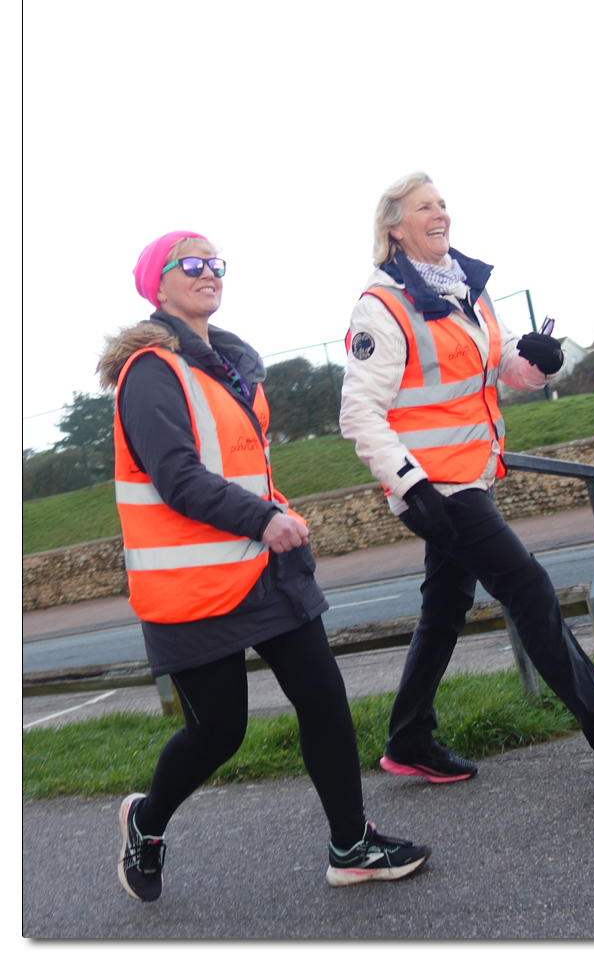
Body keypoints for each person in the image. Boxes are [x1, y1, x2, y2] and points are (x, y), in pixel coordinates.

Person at [99, 230, 430, 902]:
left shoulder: (225, 365)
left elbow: (243, 467)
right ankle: (147, 822)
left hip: (262, 569)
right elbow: (175, 477)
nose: (208, 271)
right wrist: (262, 519)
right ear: (155, 285)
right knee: (219, 732)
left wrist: (276, 518)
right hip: (192, 585)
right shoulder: (150, 371)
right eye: (190, 263)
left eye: (215, 262)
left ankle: (350, 845)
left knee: (324, 700)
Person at [339, 173, 594, 790]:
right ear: (394, 226)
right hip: (438, 489)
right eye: (425, 206)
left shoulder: (467, 289)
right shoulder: (382, 305)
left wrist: (535, 363)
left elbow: (497, 369)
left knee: (445, 607)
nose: (441, 213)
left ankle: (408, 738)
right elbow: (358, 413)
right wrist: (411, 486)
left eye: (444, 203)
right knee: (528, 589)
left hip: (470, 475)